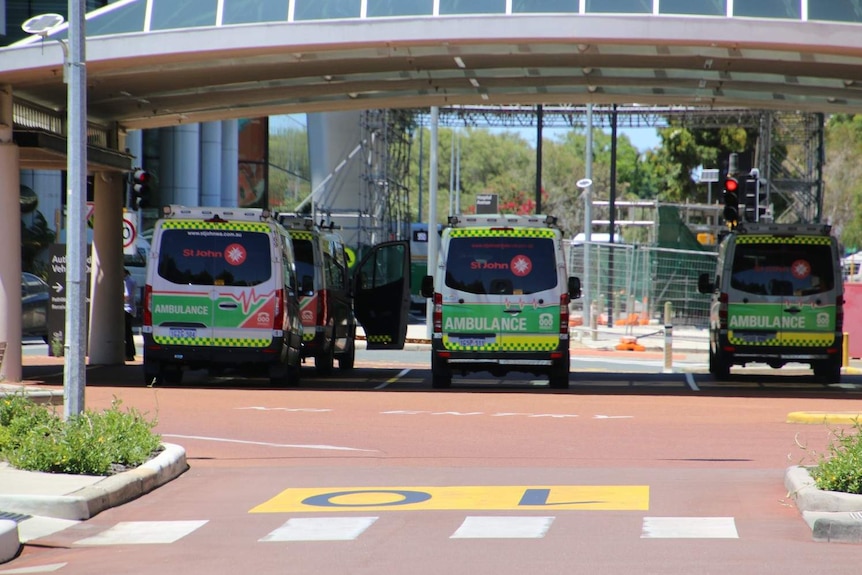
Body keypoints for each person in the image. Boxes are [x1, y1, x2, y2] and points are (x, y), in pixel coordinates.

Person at [124, 268, 137, 361]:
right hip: (130, 309)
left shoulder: (128, 281)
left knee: (127, 333)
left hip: (127, 309)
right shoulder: (131, 280)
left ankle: (129, 353)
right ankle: (129, 353)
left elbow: (127, 295)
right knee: (128, 333)